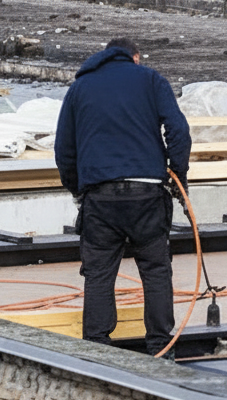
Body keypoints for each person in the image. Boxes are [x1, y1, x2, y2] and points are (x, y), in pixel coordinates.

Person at [54, 38, 192, 357]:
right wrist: (177, 174)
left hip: (99, 197)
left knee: (98, 272)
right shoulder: (151, 80)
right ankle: (161, 348)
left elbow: (64, 150)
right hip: (147, 193)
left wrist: (78, 189)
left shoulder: (80, 87)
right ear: (135, 57)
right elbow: (178, 131)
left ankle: (98, 348)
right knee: (156, 269)